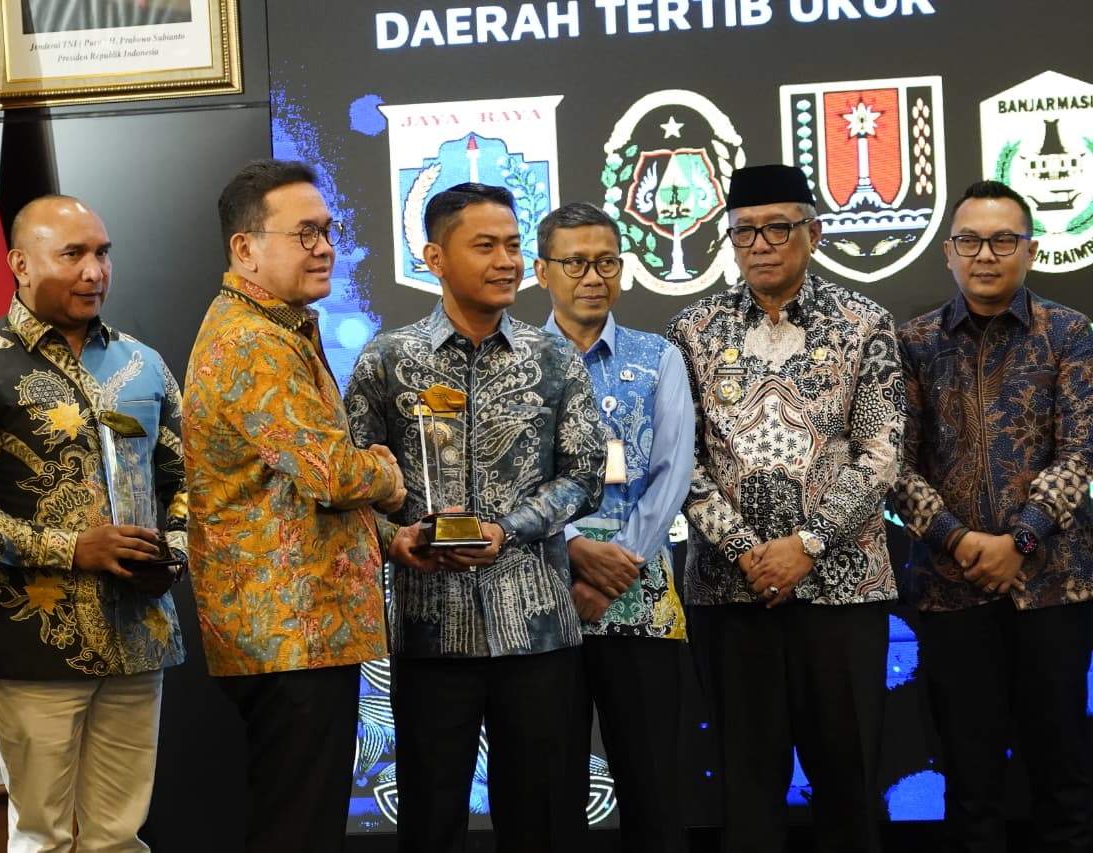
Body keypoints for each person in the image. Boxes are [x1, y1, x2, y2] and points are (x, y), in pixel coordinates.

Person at [345, 182, 606, 852]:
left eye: (513, 246)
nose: (507, 262)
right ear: (434, 257)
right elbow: (353, 486)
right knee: (431, 821)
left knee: (542, 821)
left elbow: (584, 476)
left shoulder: (554, 357)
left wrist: (509, 529)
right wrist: (395, 538)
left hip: (538, 631)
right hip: (430, 631)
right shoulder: (387, 359)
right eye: (485, 246)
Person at [667, 165, 904, 853]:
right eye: (744, 231)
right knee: (746, 793)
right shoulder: (692, 330)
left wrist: (810, 543)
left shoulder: (864, 323)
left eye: (778, 228)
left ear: (814, 233)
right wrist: (746, 549)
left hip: (842, 589)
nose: (761, 244)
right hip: (730, 592)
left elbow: (880, 453)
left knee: (849, 786)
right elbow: (681, 459)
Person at [0, 195, 187, 853]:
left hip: (140, 633)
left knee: (119, 835)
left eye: (103, 253)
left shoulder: (144, 363)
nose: (94, 271)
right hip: (37, 641)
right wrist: (72, 547)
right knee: (43, 835)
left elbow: (187, 480)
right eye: (73, 254)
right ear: (20, 265)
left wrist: (174, 551)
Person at [181, 159, 405, 853]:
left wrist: (387, 537)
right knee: (298, 828)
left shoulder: (277, 328)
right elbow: (332, 474)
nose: (325, 247)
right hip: (289, 632)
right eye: (305, 233)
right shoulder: (254, 342)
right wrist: (387, 471)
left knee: (302, 821)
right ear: (245, 248)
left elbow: (292, 489)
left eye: (327, 231)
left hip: (300, 626)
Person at [892, 179, 1093, 852]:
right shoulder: (913, 341)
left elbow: (1081, 452)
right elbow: (893, 464)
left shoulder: (1068, 332)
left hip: (1053, 587)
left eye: (1003, 240)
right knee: (970, 783)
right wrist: (959, 541)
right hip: (951, 590)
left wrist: (1021, 539)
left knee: (1063, 776)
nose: (986, 254)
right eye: (971, 241)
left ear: (1030, 250)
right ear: (948, 252)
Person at [535, 202, 694, 852]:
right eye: (575, 263)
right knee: (548, 798)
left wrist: (616, 565)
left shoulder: (658, 358)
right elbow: (506, 482)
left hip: (641, 601)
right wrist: (574, 549)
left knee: (655, 794)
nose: (592, 277)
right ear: (542, 270)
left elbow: (673, 472)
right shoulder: (517, 362)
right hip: (544, 604)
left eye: (605, 262)